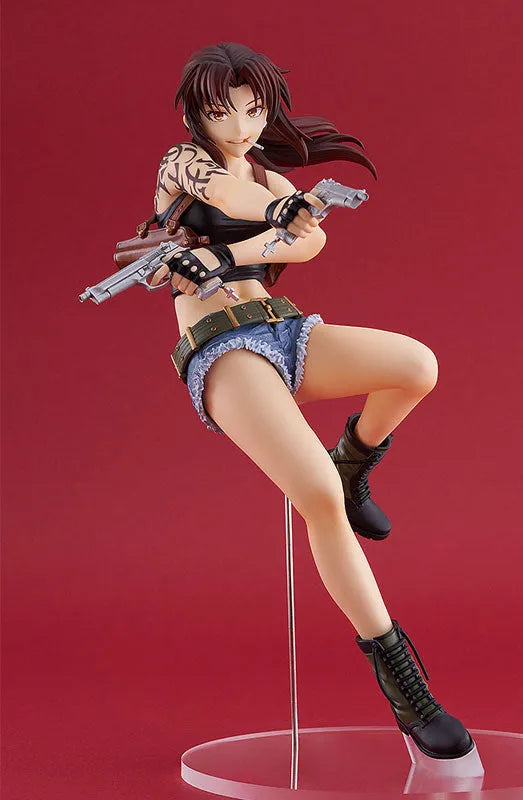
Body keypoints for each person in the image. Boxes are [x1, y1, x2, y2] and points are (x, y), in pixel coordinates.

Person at [149, 42, 474, 760]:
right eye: (221, 112)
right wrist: (278, 218)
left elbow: (309, 245)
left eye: (253, 110)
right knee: (317, 496)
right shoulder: (184, 166)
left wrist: (235, 251)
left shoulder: (265, 172)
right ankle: (406, 688)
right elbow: (235, 202)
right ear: (194, 114)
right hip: (222, 349)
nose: (240, 127)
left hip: (282, 327)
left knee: (415, 366)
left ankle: (356, 463)